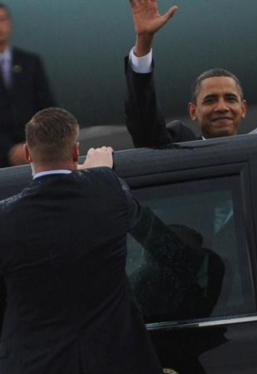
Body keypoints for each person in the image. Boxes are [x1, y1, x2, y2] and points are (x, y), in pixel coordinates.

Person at [0, 108, 162, 374]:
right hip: (111, 362)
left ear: (28, 153)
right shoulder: (106, 190)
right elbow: (133, 213)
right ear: (75, 151)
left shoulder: (6, 218)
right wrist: (96, 173)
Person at [125, 0, 247, 148]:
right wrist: (144, 41)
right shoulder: (180, 148)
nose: (222, 107)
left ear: (243, 109)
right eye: (210, 100)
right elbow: (145, 124)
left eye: (230, 99)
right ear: (193, 111)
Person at [0, 3, 55, 167]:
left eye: (2, 20)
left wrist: (31, 146)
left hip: (34, 155)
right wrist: (9, 150)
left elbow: (47, 108)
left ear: (10, 23)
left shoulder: (30, 62)